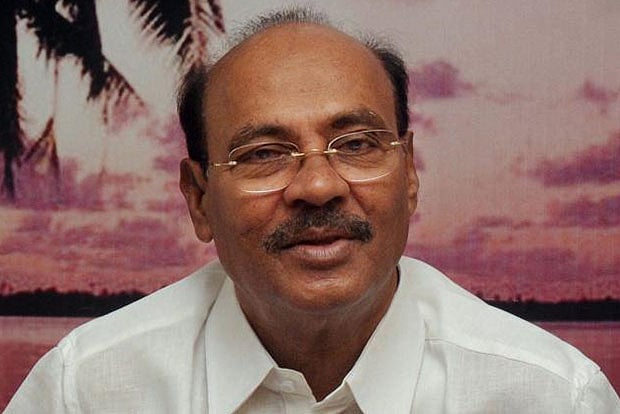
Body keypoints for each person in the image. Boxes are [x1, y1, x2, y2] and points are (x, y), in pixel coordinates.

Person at [6, 7, 620, 414]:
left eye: (356, 144)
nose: (319, 186)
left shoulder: (552, 397)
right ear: (199, 199)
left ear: (409, 174)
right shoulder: (84, 391)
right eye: (264, 154)